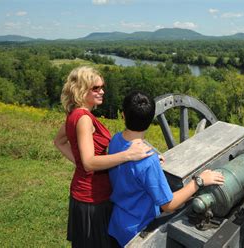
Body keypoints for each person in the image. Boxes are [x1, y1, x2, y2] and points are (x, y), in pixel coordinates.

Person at [107, 91, 225, 247]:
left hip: (118, 225)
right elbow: (168, 205)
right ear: (150, 121)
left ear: (123, 115)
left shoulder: (115, 140)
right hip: (138, 234)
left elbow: (129, 168)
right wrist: (199, 181)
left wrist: (152, 159)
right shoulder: (147, 161)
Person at [53, 66, 153, 248]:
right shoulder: (83, 119)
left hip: (85, 193)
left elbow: (59, 141)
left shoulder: (75, 114)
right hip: (92, 198)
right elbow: (90, 162)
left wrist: (80, 162)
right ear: (81, 90)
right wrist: (128, 155)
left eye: (102, 87)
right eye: (96, 88)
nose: (102, 91)